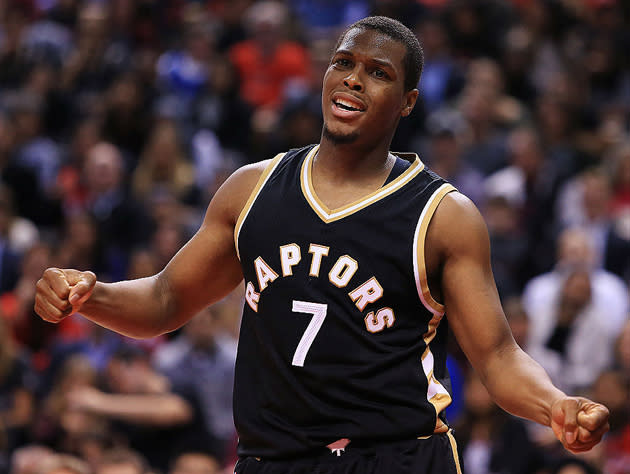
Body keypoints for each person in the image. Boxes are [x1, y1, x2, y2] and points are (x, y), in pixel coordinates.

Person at [34, 16, 609, 474]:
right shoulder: (250, 190)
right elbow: (163, 302)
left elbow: (497, 357)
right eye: (343, 63)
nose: (354, 79)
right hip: (274, 460)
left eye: (378, 72)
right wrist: (90, 296)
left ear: (408, 101)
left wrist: (553, 404)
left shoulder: (443, 216)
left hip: (398, 456)